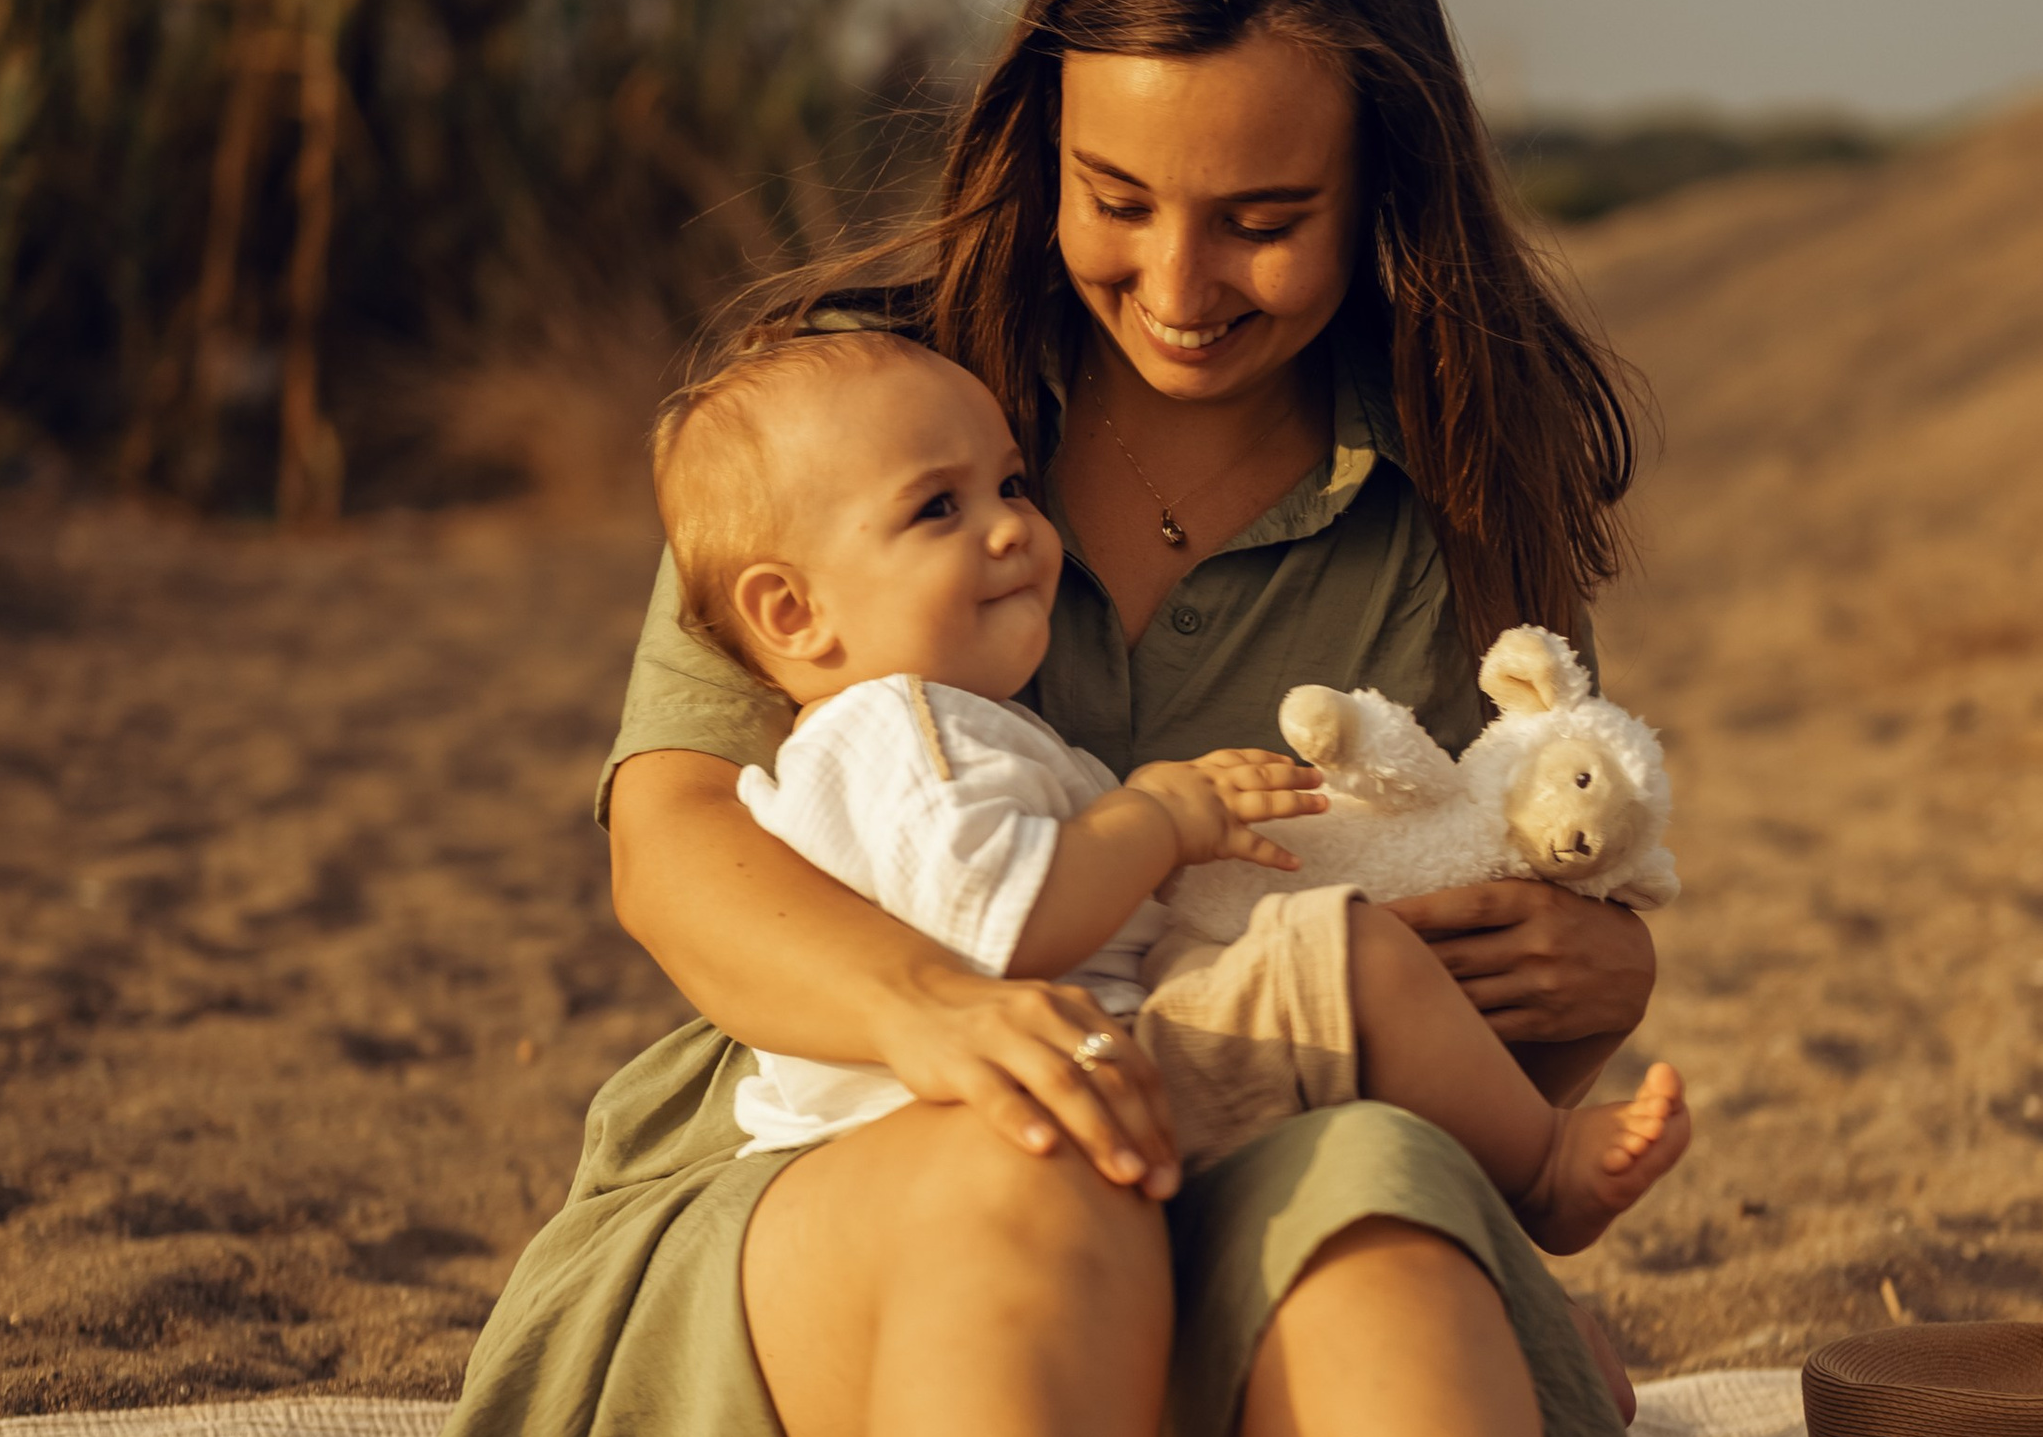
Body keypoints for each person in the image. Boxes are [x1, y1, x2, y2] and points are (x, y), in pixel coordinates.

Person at [405, 0, 1678, 1437]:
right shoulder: (866, 403)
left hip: (1267, 1227)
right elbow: (671, 843)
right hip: (872, 1245)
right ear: (1039, 137)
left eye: (1263, 219)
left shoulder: (1445, 475)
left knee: (1387, 1183)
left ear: (1388, 182)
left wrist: (1595, 970)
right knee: (1022, 1145)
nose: (1177, 280)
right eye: (1120, 195)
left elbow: (1466, 905)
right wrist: (925, 1005)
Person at [654, 322, 1694, 1251]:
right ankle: (1540, 1174)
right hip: (1012, 1107)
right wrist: (1153, 816)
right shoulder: (896, 729)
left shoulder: (959, 727)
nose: (1010, 526)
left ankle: (1494, 1252)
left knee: (1327, 971)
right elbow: (995, 923)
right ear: (791, 616)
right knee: (1344, 954)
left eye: (1011, 486)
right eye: (938, 509)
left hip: (1081, 1075)